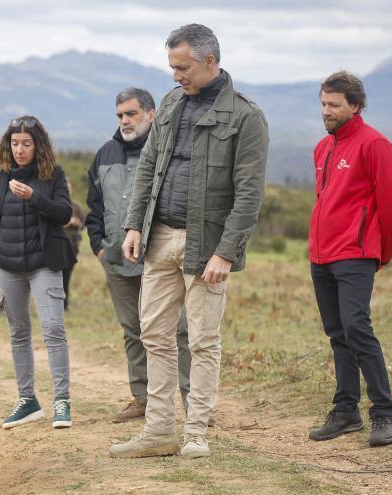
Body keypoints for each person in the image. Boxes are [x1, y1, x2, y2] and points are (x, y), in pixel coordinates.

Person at [110, 24, 268, 459]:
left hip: (207, 247)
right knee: (154, 335)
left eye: (182, 67)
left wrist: (226, 252)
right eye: (172, 67)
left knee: (202, 340)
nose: (175, 76)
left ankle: (196, 433)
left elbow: (250, 193)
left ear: (209, 61)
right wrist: (134, 225)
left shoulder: (245, 116)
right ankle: (159, 431)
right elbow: (148, 168)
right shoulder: (171, 103)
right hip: (159, 237)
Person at [307, 71, 392, 447]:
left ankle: (383, 413)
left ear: (355, 105)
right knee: (338, 335)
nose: (326, 111)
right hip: (322, 256)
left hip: (356, 254)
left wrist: (381, 252)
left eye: (334, 105)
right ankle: (346, 411)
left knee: (357, 329)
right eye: (323, 104)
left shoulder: (376, 145)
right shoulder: (322, 148)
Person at [85, 88, 191, 424]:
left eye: (131, 114)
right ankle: (142, 399)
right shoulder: (104, 155)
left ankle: (194, 403)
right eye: (120, 115)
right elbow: (94, 207)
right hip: (116, 260)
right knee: (134, 330)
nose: (125, 121)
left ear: (151, 113)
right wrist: (99, 246)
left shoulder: (168, 151)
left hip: (161, 256)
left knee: (180, 329)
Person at [0, 116, 76, 429]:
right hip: (7, 266)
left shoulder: (53, 174)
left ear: (38, 146)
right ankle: (27, 400)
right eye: (15, 143)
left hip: (44, 264)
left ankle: (62, 401)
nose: (20, 149)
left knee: (53, 329)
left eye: (27, 144)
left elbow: (64, 214)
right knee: (18, 333)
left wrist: (33, 197)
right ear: (8, 145)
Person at [61, 178, 85, 310]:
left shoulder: (77, 207)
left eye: (69, 187)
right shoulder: (55, 204)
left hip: (72, 247)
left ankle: (65, 304)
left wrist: (78, 223)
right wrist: (69, 222)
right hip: (57, 248)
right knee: (56, 277)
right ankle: (57, 304)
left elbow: (82, 225)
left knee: (67, 277)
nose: (67, 189)